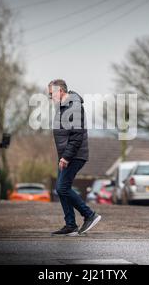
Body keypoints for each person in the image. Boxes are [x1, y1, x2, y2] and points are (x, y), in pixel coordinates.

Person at [48, 79, 101, 236]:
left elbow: (77, 136)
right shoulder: (65, 107)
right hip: (67, 156)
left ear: (61, 92)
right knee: (62, 188)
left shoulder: (74, 107)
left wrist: (66, 157)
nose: (50, 97)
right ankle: (70, 224)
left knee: (62, 188)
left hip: (74, 155)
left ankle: (89, 215)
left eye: (51, 94)